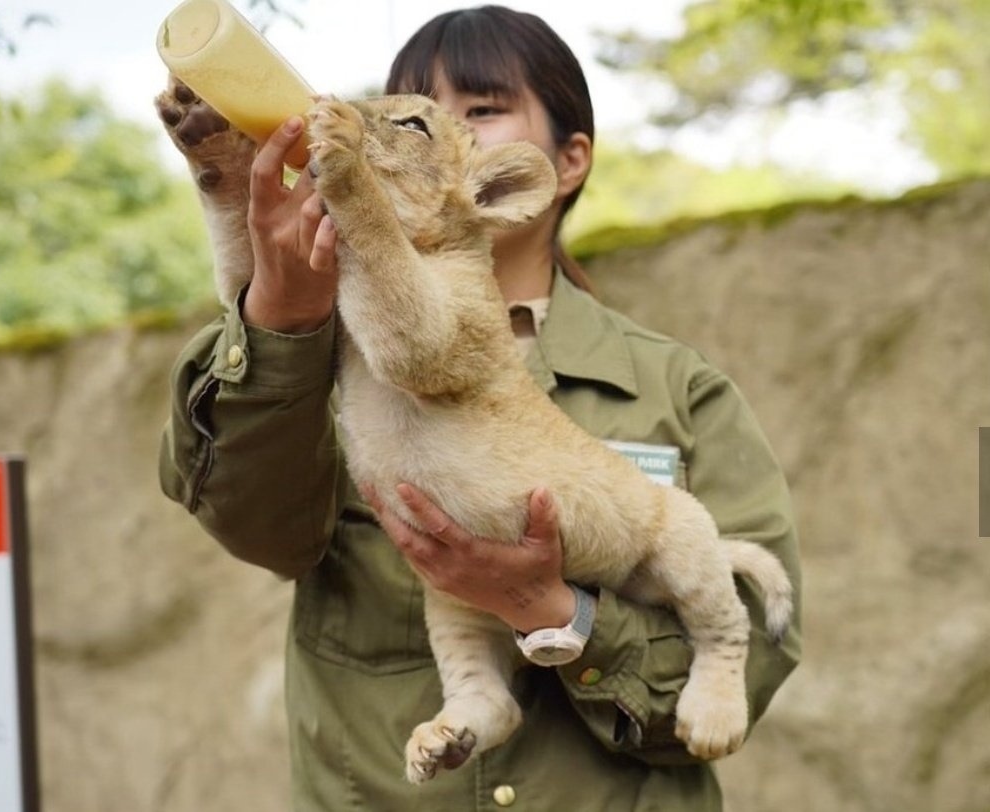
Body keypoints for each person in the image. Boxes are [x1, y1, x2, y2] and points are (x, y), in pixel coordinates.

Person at [158, 6, 801, 810]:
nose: (394, 129)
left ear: (562, 162)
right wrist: (278, 312)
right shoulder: (313, 339)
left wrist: (556, 612)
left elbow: (748, 685)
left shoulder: (680, 387)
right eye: (398, 107)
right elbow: (254, 528)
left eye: (482, 109)